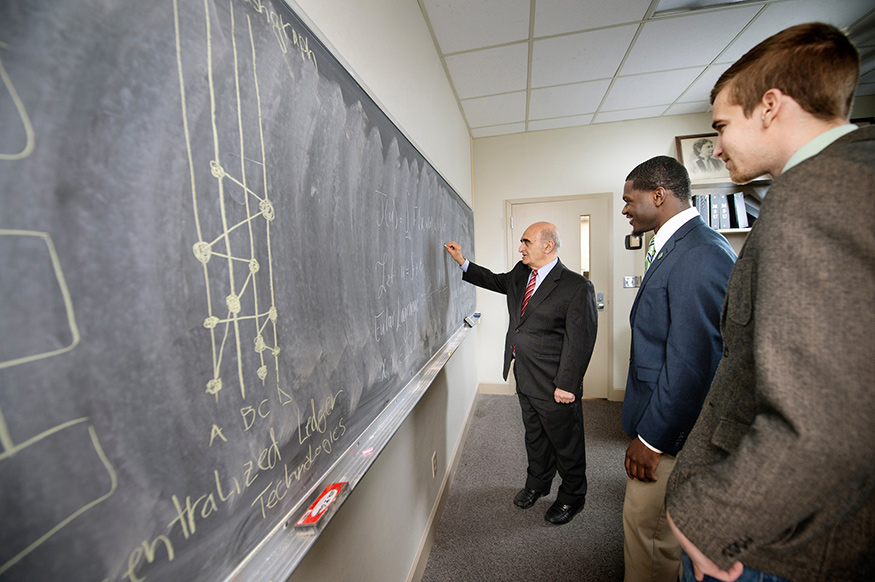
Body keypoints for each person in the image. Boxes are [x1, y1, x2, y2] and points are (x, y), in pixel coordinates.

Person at [664, 22, 875, 582]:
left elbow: (824, 418)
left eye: (721, 125)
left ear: (771, 106)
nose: (715, 146)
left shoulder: (815, 194)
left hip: (771, 540)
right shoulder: (857, 174)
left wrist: (708, 518)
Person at [620, 156, 736, 582]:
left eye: (629, 200)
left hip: (668, 434)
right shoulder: (678, 244)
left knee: (650, 539)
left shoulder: (699, 254)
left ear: (658, 195)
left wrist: (653, 439)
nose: (625, 209)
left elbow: (693, 360)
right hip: (659, 422)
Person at [444, 222, 597, 525]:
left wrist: (567, 384)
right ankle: (538, 484)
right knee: (535, 436)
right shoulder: (521, 273)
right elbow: (495, 280)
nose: (520, 248)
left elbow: (581, 340)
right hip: (524, 376)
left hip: (556, 383)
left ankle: (572, 496)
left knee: (565, 442)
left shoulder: (576, 286)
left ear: (547, 246)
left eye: (526, 242)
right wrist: (463, 263)